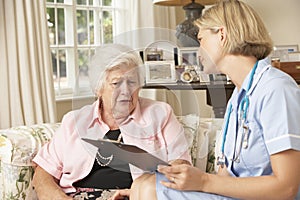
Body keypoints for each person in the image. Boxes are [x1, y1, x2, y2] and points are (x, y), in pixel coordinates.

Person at [112, 0, 300, 199]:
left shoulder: (275, 89)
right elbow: (226, 176)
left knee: (150, 189)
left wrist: (203, 181)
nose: (197, 50)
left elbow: (286, 188)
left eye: (200, 39)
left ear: (222, 35)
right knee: (143, 184)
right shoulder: (238, 97)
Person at [32, 44, 191, 199]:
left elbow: (181, 166)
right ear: (98, 89)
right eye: (116, 83)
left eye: (132, 82)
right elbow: (43, 173)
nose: (126, 91)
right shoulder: (74, 121)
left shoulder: (160, 114)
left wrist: (146, 191)